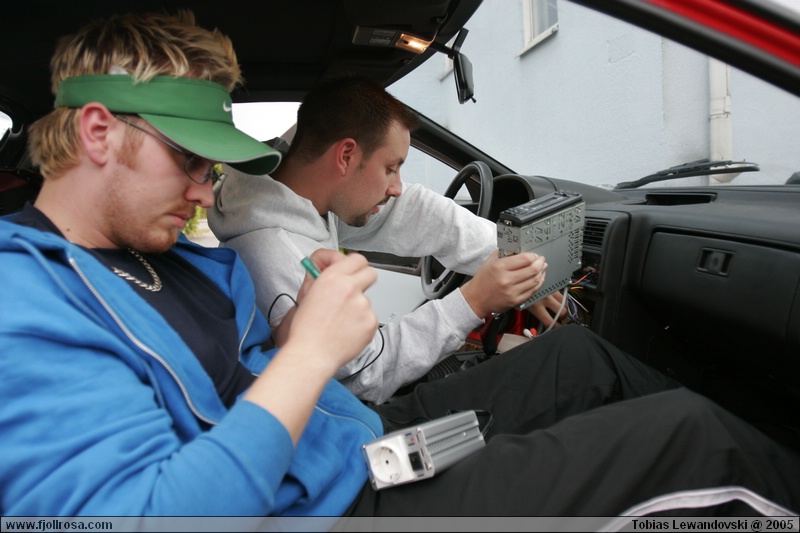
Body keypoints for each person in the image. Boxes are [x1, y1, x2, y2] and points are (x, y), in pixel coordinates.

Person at [2, 10, 799, 519]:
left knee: (576, 361)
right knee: (692, 438)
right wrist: (313, 352)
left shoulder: (178, 261)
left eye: (215, 167)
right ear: (98, 133)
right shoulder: (25, 301)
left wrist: (306, 352)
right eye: (190, 160)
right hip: (340, 505)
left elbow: (402, 215)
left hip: (361, 447)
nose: (209, 190)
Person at [208, 76, 568, 404]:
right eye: (391, 168)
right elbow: (362, 377)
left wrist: (512, 256)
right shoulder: (274, 253)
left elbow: (417, 214)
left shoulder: (303, 196)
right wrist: (475, 300)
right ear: (345, 156)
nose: (396, 187)